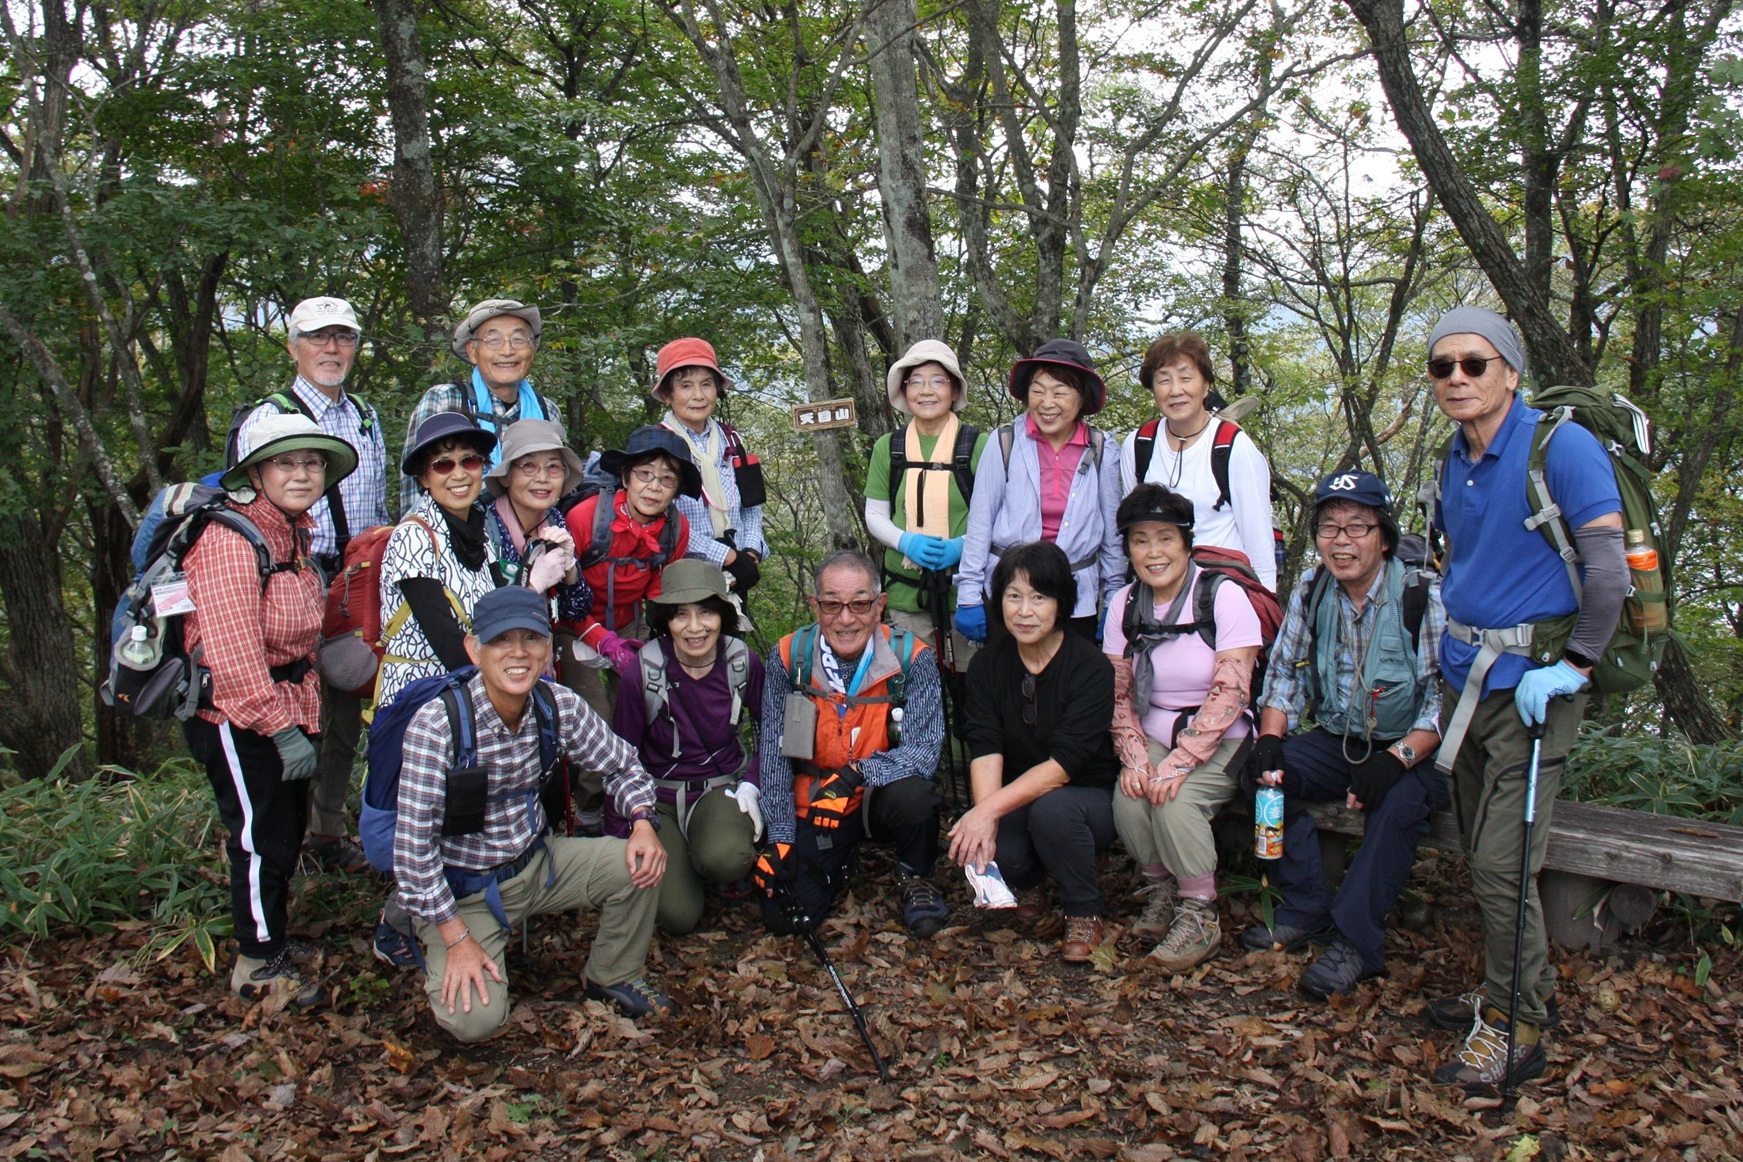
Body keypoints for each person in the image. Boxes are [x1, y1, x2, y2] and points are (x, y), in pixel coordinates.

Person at [1423, 306, 1625, 1089]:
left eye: (1474, 363)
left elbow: (1608, 569)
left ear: (1510, 371)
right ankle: (1514, 985)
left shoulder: (1559, 447)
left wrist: (1574, 665)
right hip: (1466, 682)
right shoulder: (1454, 454)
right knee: (1482, 849)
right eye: (1442, 366)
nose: (1457, 378)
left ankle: (1517, 1025)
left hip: (1534, 690)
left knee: (1501, 865)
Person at [394, 586, 672, 1042]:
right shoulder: (438, 726)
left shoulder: (556, 704)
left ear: (548, 649)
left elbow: (623, 765)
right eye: (501, 640)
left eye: (531, 639)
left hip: (537, 864)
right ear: (474, 650)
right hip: (464, 891)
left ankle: (613, 974)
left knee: (640, 863)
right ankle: (429, 935)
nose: (518, 653)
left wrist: (642, 820)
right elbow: (412, 854)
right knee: (474, 1022)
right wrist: (456, 937)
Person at [1240, 470, 1447, 1001]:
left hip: (1415, 748)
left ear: (1384, 537)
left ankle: (1356, 941)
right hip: (1339, 738)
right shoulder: (1314, 589)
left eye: (1357, 526)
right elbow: (1284, 673)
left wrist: (1398, 758)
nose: (1341, 541)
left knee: (1398, 807)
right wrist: (1271, 738)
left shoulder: (1421, 595)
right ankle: (1304, 906)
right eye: (1329, 527)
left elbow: (1444, 699)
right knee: (1263, 773)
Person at [180, 414, 359, 1009]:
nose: (301, 474)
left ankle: (272, 940)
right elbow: (232, 655)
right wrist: (280, 731)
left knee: (282, 834)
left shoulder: (291, 535)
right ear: (256, 474)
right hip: (236, 717)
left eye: (312, 463)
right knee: (259, 840)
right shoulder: (229, 541)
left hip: (284, 705)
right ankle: (257, 963)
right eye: (286, 462)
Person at [236, 296, 390, 876]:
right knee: (291, 704)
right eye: (318, 337)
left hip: (355, 582)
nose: (332, 349)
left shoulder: (364, 416)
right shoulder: (269, 418)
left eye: (343, 337)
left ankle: (325, 832)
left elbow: (377, 505)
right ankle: (278, 841)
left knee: (344, 703)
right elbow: (248, 509)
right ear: (293, 346)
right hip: (291, 576)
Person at [1104, 485, 1261, 973]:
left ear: (1187, 543)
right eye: (1140, 541)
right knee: (1130, 797)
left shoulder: (1222, 595)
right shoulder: (1125, 604)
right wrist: (1135, 757)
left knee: (1176, 801)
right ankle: (1163, 892)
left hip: (1222, 735)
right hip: (1153, 727)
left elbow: (1232, 689)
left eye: (1166, 538)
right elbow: (1118, 691)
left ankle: (1199, 912)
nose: (1154, 552)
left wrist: (1178, 763)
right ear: (1128, 550)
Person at [753, 551, 948, 939]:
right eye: (832, 604)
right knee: (782, 916)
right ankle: (837, 861)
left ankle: (915, 874)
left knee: (916, 796)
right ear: (815, 605)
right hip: (816, 800)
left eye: (859, 604)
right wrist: (780, 835)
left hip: (879, 796)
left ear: (879, 605)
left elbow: (924, 751)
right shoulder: (789, 656)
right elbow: (774, 751)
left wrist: (856, 774)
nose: (845, 619)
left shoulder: (912, 658)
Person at [950, 542, 1120, 963]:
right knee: (998, 844)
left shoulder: (1090, 667)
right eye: (1013, 596)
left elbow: (1064, 766)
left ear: (1061, 602)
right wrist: (985, 818)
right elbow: (985, 746)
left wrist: (986, 812)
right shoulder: (988, 665)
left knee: (1053, 812)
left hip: (1088, 797)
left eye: (1039, 597)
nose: (1024, 611)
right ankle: (1029, 884)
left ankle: (1083, 910)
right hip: (1020, 795)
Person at [612, 560, 764, 935]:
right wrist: (620, 835)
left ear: (723, 616)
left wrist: (753, 782)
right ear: (666, 620)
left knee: (727, 857)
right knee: (677, 916)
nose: (695, 628)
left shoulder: (742, 662)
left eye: (706, 612)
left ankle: (712, 858)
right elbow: (621, 759)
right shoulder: (642, 671)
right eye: (681, 615)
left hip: (719, 789)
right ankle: (685, 863)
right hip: (657, 797)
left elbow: (773, 732)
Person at [955, 339, 1123, 644]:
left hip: (1075, 597)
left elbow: (1112, 533)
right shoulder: (1005, 441)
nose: (1047, 403)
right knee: (1006, 673)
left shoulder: (1101, 448)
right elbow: (980, 522)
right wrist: (969, 594)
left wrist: (1114, 598)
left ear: (1082, 397)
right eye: (1038, 391)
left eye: (1060, 392)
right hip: (1010, 594)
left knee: (1070, 673)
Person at [863, 340, 987, 678]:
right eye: (916, 381)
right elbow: (875, 513)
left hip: (966, 594)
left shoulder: (979, 445)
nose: (926, 390)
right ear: (905, 391)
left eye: (937, 380)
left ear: (954, 389)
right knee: (915, 689)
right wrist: (906, 541)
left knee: (972, 689)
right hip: (906, 595)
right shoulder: (889, 447)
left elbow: (999, 517)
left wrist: (962, 546)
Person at [1118, 332, 1278, 591]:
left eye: (1186, 378)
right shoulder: (1139, 445)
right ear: (1153, 389)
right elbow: (1135, 528)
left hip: (1223, 592)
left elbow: (1259, 541)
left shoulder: (1233, 447)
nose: (1175, 390)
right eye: (1164, 380)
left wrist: (1265, 602)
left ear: (1206, 385)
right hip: (1159, 593)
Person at [377, 413, 504, 710]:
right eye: (443, 465)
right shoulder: (414, 536)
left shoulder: (481, 534)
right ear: (424, 478)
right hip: (422, 696)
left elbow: (501, 610)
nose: (459, 475)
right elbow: (444, 637)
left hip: (475, 688)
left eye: (469, 461)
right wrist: (500, 690)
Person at [400, 299, 561, 510]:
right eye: (493, 340)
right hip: (455, 529)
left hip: (533, 528)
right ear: (472, 351)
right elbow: (414, 487)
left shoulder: (547, 411)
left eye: (519, 339)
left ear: (532, 350)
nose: (507, 350)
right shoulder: (445, 399)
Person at [650, 338, 768, 598]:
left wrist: (750, 550)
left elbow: (751, 503)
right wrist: (726, 556)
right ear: (668, 395)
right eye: (685, 386)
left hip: (737, 574)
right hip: (683, 576)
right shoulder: (657, 446)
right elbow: (658, 521)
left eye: (706, 384)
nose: (699, 395)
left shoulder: (731, 440)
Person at [481, 419, 591, 632]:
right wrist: (533, 584)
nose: (542, 478)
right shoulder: (485, 530)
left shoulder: (554, 519)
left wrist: (569, 567)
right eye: (528, 466)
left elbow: (577, 611)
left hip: (543, 642)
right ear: (505, 477)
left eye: (553, 467)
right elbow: (485, 620)